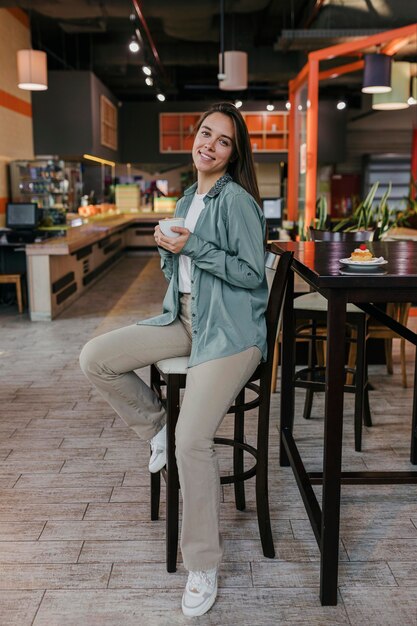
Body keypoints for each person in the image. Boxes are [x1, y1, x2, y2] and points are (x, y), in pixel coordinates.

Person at [79, 101, 268, 617]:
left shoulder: (240, 203)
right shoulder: (188, 196)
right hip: (185, 319)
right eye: (205, 133)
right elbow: (183, 272)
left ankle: (202, 566)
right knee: (96, 357)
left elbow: (252, 275)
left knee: (194, 439)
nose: (208, 144)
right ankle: (156, 427)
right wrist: (170, 247)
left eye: (222, 140)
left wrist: (194, 246)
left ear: (233, 153)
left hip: (231, 332)